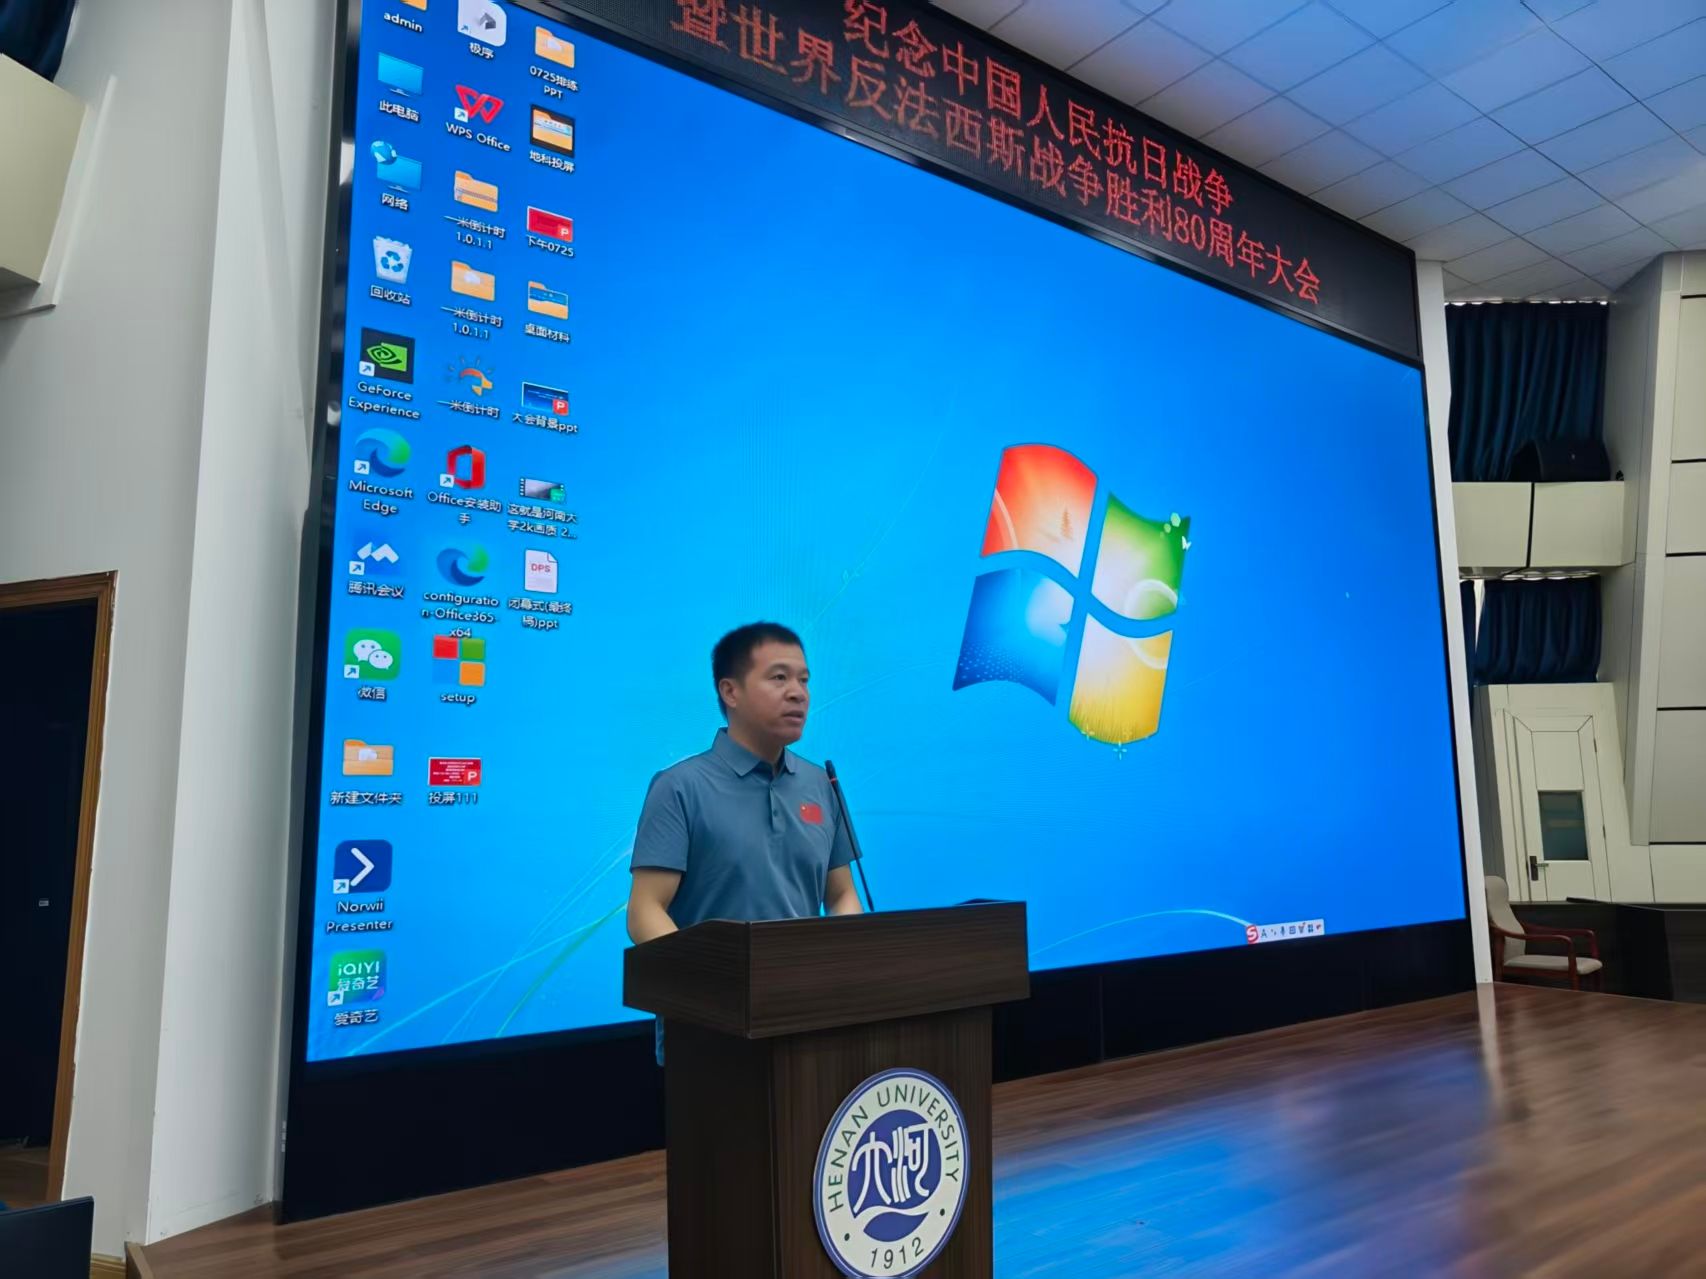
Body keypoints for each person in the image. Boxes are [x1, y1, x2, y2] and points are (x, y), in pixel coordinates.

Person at [627, 622, 864, 1057]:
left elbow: (842, 895)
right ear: (730, 691)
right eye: (779, 677)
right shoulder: (680, 787)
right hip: (710, 1029)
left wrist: (838, 967)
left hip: (808, 1020)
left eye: (804, 680)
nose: (798, 693)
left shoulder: (820, 783)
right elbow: (645, 912)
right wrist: (720, 984)